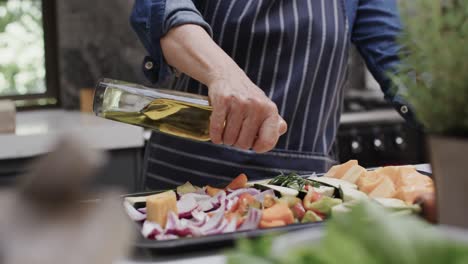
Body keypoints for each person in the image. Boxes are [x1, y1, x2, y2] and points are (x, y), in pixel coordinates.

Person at [130, 0, 416, 190]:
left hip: (304, 191)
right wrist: (225, 75)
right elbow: (161, 7)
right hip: (189, 185)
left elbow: (401, 59)